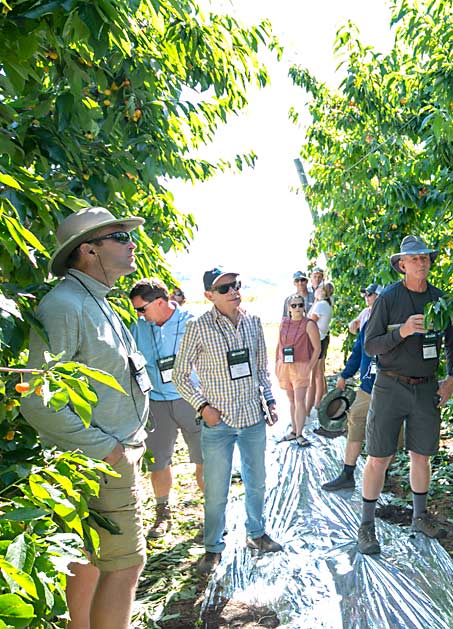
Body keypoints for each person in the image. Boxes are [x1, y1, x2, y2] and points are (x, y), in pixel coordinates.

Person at [21, 206, 150, 629]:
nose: (132, 245)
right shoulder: (65, 306)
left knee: (91, 561)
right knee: (127, 564)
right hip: (100, 460)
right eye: (120, 237)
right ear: (88, 250)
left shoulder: (97, 301)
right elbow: (39, 401)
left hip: (109, 456)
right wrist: (108, 449)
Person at [175, 267, 284, 574]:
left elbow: (261, 368)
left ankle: (257, 534)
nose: (233, 291)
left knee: (257, 482)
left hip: (252, 418)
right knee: (216, 488)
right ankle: (212, 548)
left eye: (235, 285)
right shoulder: (198, 327)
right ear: (209, 295)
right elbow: (179, 375)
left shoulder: (253, 322)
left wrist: (270, 400)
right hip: (218, 423)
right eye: (224, 288)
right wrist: (203, 407)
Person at [357, 236, 453, 554]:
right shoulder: (388, 299)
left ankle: (419, 516)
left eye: (425, 257)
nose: (421, 262)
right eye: (414, 259)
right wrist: (401, 332)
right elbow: (369, 345)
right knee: (379, 457)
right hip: (390, 385)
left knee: (422, 454)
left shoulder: (440, 300)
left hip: (427, 386)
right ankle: (366, 526)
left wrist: (451, 378)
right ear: (401, 265)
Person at [128, 277, 204, 539]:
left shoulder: (192, 321)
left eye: (141, 309)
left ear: (160, 302)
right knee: (158, 461)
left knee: (203, 458)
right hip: (157, 402)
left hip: (191, 399)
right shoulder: (138, 326)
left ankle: (212, 514)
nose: (138, 314)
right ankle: (163, 512)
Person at [322, 283, 383, 491]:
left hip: (391, 389)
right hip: (367, 387)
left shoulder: (397, 325)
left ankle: (381, 476)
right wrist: (345, 374)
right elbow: (357, 352)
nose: (368, 298)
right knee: (355, 422)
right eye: (367, 295)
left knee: (388, 434)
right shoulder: (368, 323)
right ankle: (348, 474)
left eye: (372, 295)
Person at [275, 294, 321, 446]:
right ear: (288, 308)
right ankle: (294, 430)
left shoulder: (309, 324)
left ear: (304, 306)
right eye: (294, 305)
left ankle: (300, 433)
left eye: (300, 305)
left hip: (301, 365)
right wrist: (277, 362)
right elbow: (279, 344)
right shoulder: (284, 322)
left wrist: (309, 367)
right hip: (285, 365)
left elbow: (317, 348)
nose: (297, 308)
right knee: (291, 400)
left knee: (299, 400)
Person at [307, 281, 334, 415]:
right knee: (319, 373)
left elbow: (310, 321)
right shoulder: (327, 304)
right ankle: (322, 399)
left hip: (316, 340)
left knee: (316, 374)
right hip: (323, 338)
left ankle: (317, 404)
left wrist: (316, 301)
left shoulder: (321, 305)